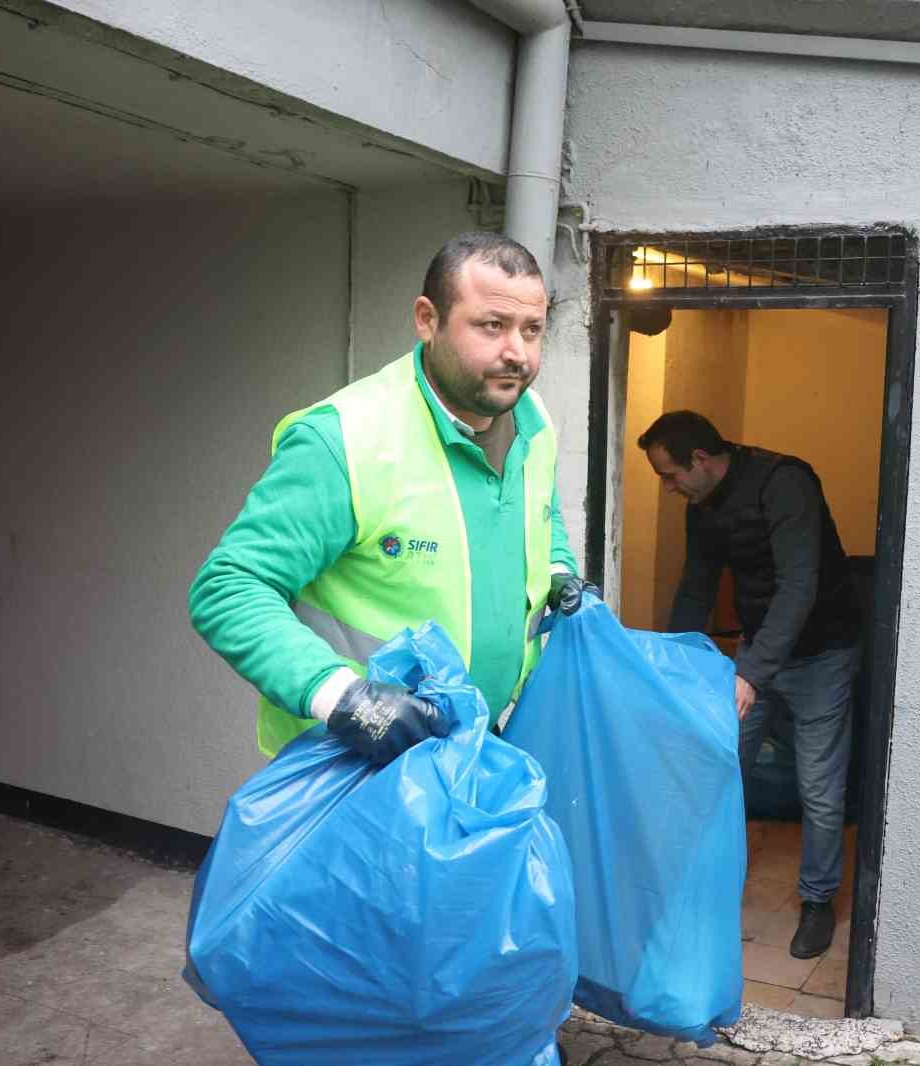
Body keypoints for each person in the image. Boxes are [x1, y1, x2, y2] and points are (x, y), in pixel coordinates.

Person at [190, 232, 594, 766]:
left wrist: (559, 570)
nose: (516, 352)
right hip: (352, 766)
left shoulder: (531, 420)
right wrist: (343, 697)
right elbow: (228, 588)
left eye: (532, 329)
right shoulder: (345, 440)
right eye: (492, 325)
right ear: (428, 319)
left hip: (474, 749)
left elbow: (537, 515)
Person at [639, 411, 861, 959]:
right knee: (718, 763)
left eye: (670, 476)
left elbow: (798, 586)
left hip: (823, 654)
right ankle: (705, 881)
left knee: (819, 788)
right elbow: (695, 588)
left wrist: (750, 675)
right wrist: (678, 666)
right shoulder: (704, 504)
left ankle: (817, 901)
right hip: (758, 650)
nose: (668, 490)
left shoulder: (785, 483)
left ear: (700, 460)